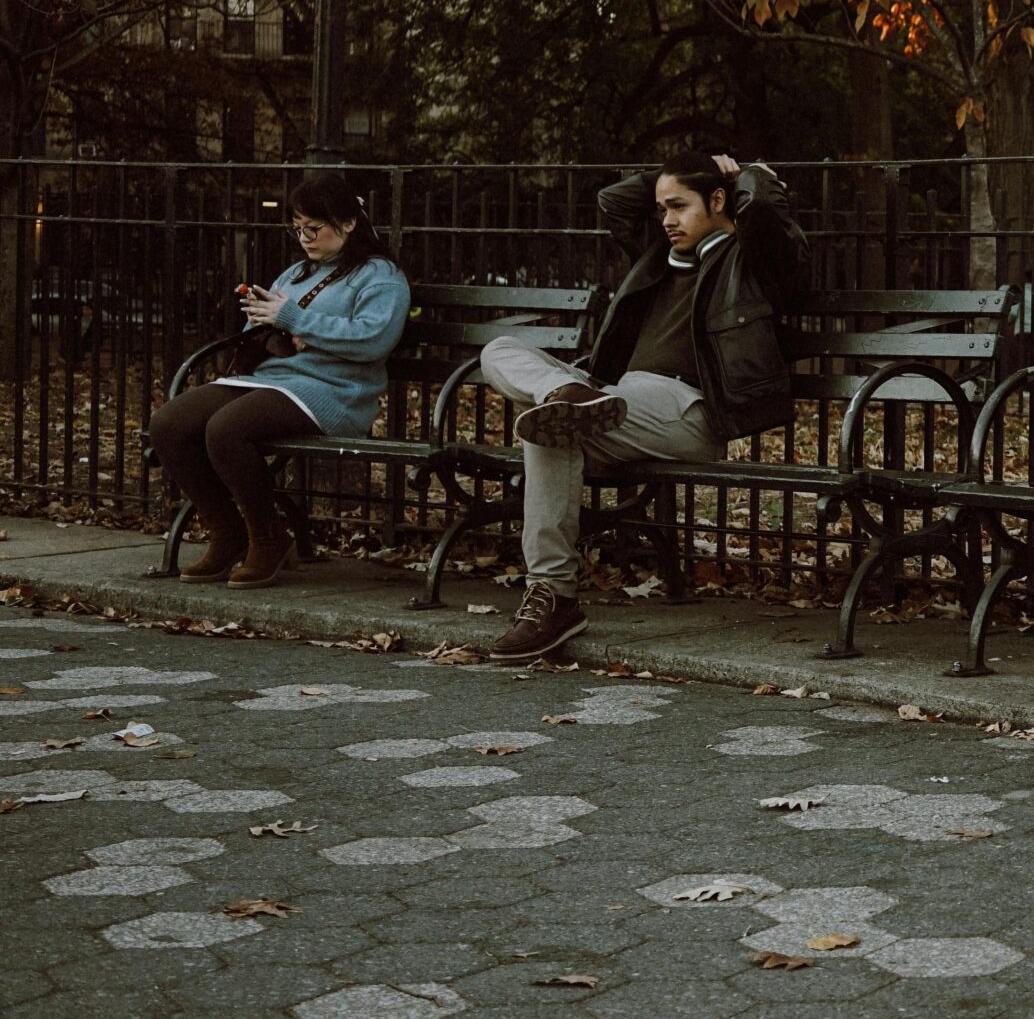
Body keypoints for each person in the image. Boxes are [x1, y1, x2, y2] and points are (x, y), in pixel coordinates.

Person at [477, 152, 802, 663]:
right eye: (661, 208)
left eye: (679, 205)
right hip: (615, 400)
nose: (667, 220)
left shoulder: (753, 258)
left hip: (687, 411)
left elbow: (760, 209)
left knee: (553, 426)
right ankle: (562, 396)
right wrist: (674, 173)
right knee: (501, 355)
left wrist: (747, 174)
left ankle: (553, 595)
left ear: (719, 201)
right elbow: (613, 200)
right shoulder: (657, 255)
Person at [149, 172, 411, 589]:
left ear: (348, 222)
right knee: (168, 424)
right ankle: (227, 532)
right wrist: (261, 322)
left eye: (314, 228)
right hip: (277, 379)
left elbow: (372, 340)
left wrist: (294, 320)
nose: (305, 238)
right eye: (297, 229)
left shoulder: (380, 276)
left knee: (227, 429)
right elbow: (281, 329)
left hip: (335, 392)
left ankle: (267, 539)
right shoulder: (296, 274)